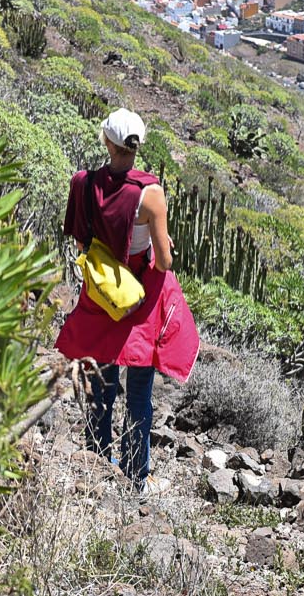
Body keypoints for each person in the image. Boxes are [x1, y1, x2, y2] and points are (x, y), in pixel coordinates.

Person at [53, 108, 198, 488]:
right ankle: (136, 473)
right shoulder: (150, 195)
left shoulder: (82, 183)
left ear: (107, 141)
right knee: (138, 390)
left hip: (102, 290)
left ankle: (97, 459)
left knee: (100, 380)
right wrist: (161, 244)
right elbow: (164, 262)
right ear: (138, 146)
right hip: (140, 294)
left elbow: (80, 236)